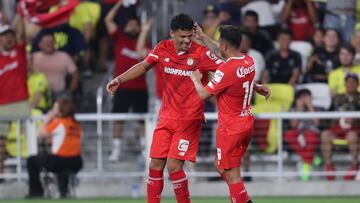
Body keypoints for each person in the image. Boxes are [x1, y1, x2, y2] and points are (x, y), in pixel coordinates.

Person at [106, 13, 270, 203]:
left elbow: (231, 68)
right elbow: (143, 66)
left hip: (189, 119)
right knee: (155, 164)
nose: (186, 41)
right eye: (182, 37)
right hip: (166, 118)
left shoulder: (201, 53)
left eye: (189, 37)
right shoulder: (162, 48)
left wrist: (255, 86)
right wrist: (119, 79)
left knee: (174, 166)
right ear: (172, 34)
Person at [190, 25, 270, 203]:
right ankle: (239, 198)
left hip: (230, 129)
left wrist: (196, 80)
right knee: (222, 167)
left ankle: (241, 200)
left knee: (231, 174)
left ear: (224, 45)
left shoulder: (225, 70)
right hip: (246, 124)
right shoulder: (248, 61)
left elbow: (203, 95)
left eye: (220, 43)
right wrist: (203, 37)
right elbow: (225, 56)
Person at [105, 0, 148, 162]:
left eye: (135, 25)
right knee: (118, 119)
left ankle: (145, 149)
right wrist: (120, 4)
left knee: (142, 121)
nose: (132, 27)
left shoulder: (145, 44)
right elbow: (108, 20)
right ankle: (116, 151)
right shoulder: (119, 39)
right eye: (129, 24)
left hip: (140, 88)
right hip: (121, 87)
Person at [26, 98, 83, 197]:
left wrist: (47, 120)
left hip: (60, 160)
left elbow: (38, 134)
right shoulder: (76, 124)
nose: (52, 110)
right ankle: (63, 192)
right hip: (77, 161)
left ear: (60, 110)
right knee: (62, 167)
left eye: (55, 108)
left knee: (31, 161)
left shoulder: (59, 122)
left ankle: (36, 193)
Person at [0, 19, 30, 178]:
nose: (9, 38)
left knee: (33, 139)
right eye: (4, 36)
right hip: (1, 104)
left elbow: (22, 33)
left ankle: (37, 174)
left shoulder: (19, 52)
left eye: (10, 35)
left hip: (21, 102)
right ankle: (1, 176)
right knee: (0, 143)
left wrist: (21, 12)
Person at [321, 73, 360, 181]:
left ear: (357, 84)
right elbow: (328, 115)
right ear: (345, 84)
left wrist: (355, 120)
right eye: (348, 82)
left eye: (353, 82)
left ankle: (354, 165)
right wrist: (335, 119)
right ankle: (329, 166)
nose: (350, 84)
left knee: (352, 136)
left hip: (354, 130)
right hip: (338, 128)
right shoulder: (337, 98)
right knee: (325, 135)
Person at [284, 89, 319, 181]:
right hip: (298, 133)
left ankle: (306, 165)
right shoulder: (294, 109)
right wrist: (299, 108)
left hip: (311, 133)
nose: (304, 99)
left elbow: (317, 122)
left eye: (306, 96)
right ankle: (311, 158)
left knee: (310, 135)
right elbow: (293, 125)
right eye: (302, 97)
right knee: (288, 134)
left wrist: (309, 106)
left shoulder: (315, 107)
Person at [32, 33, 79, 100]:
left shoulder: (64, 56)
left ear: (55, 43)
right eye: (46, 42)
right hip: (39, 93)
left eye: (51, 42)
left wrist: (70, 91)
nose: (49, 44)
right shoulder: (33, 57)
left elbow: (75, 74)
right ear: (40, 45)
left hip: (59, 94)